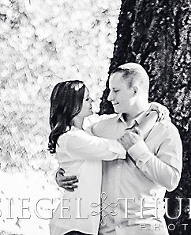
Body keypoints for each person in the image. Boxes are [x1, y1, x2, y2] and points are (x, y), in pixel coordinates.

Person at [56, 63, 182, 235]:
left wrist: (140, 152)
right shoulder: (100, 128)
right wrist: (61, 173)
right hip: (105, 231)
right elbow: (75, 148)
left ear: (135, 90)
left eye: (116, 91)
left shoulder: (165, 131)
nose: (109, 97)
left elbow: (172, 180)